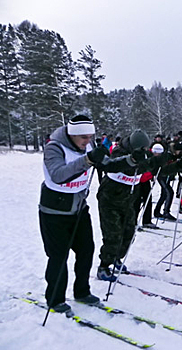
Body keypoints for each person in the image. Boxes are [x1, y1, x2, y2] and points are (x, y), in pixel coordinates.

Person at [39, 115, 133, 313]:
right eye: (83, 137)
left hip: (79, 209)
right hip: (55, 212)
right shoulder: (54, 148)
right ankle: (55, 299)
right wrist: (88, 160)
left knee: (86, 250)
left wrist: (131, 160)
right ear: (73, 134)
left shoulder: (88, 147)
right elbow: (58, 175)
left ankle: (82, 292)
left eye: (90, 136)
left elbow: (108, 165)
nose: (87, 141)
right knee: (58, 257)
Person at [97, 130, 159, 281]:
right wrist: (144, 163)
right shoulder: (118, 153)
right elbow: (129, 169)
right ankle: (104, 266)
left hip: (128, 200)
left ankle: (117, 258)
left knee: (129, 233)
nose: (144, 151)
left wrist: (163, 162)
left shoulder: (142, 153)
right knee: (113, 235)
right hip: (110, 199)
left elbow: (148, 168)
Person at [134, 143, 164, 229]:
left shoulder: (157, 158)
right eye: (157, 153)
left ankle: (147, 221)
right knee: (137, 202)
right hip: (139, 180)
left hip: (146, 180)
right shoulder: (147, 155)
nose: (158, 155)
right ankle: (133, 222)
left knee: (148, 200)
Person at [154, 143, 182, 221]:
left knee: (164, 194)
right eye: (178, 151)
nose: (179, 152)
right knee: (169, 193)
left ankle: (157, 211)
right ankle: (166, 212)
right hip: (162, 176)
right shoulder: (168, 155)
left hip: (168, 176)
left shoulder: (177, 155)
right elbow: (165, 166)